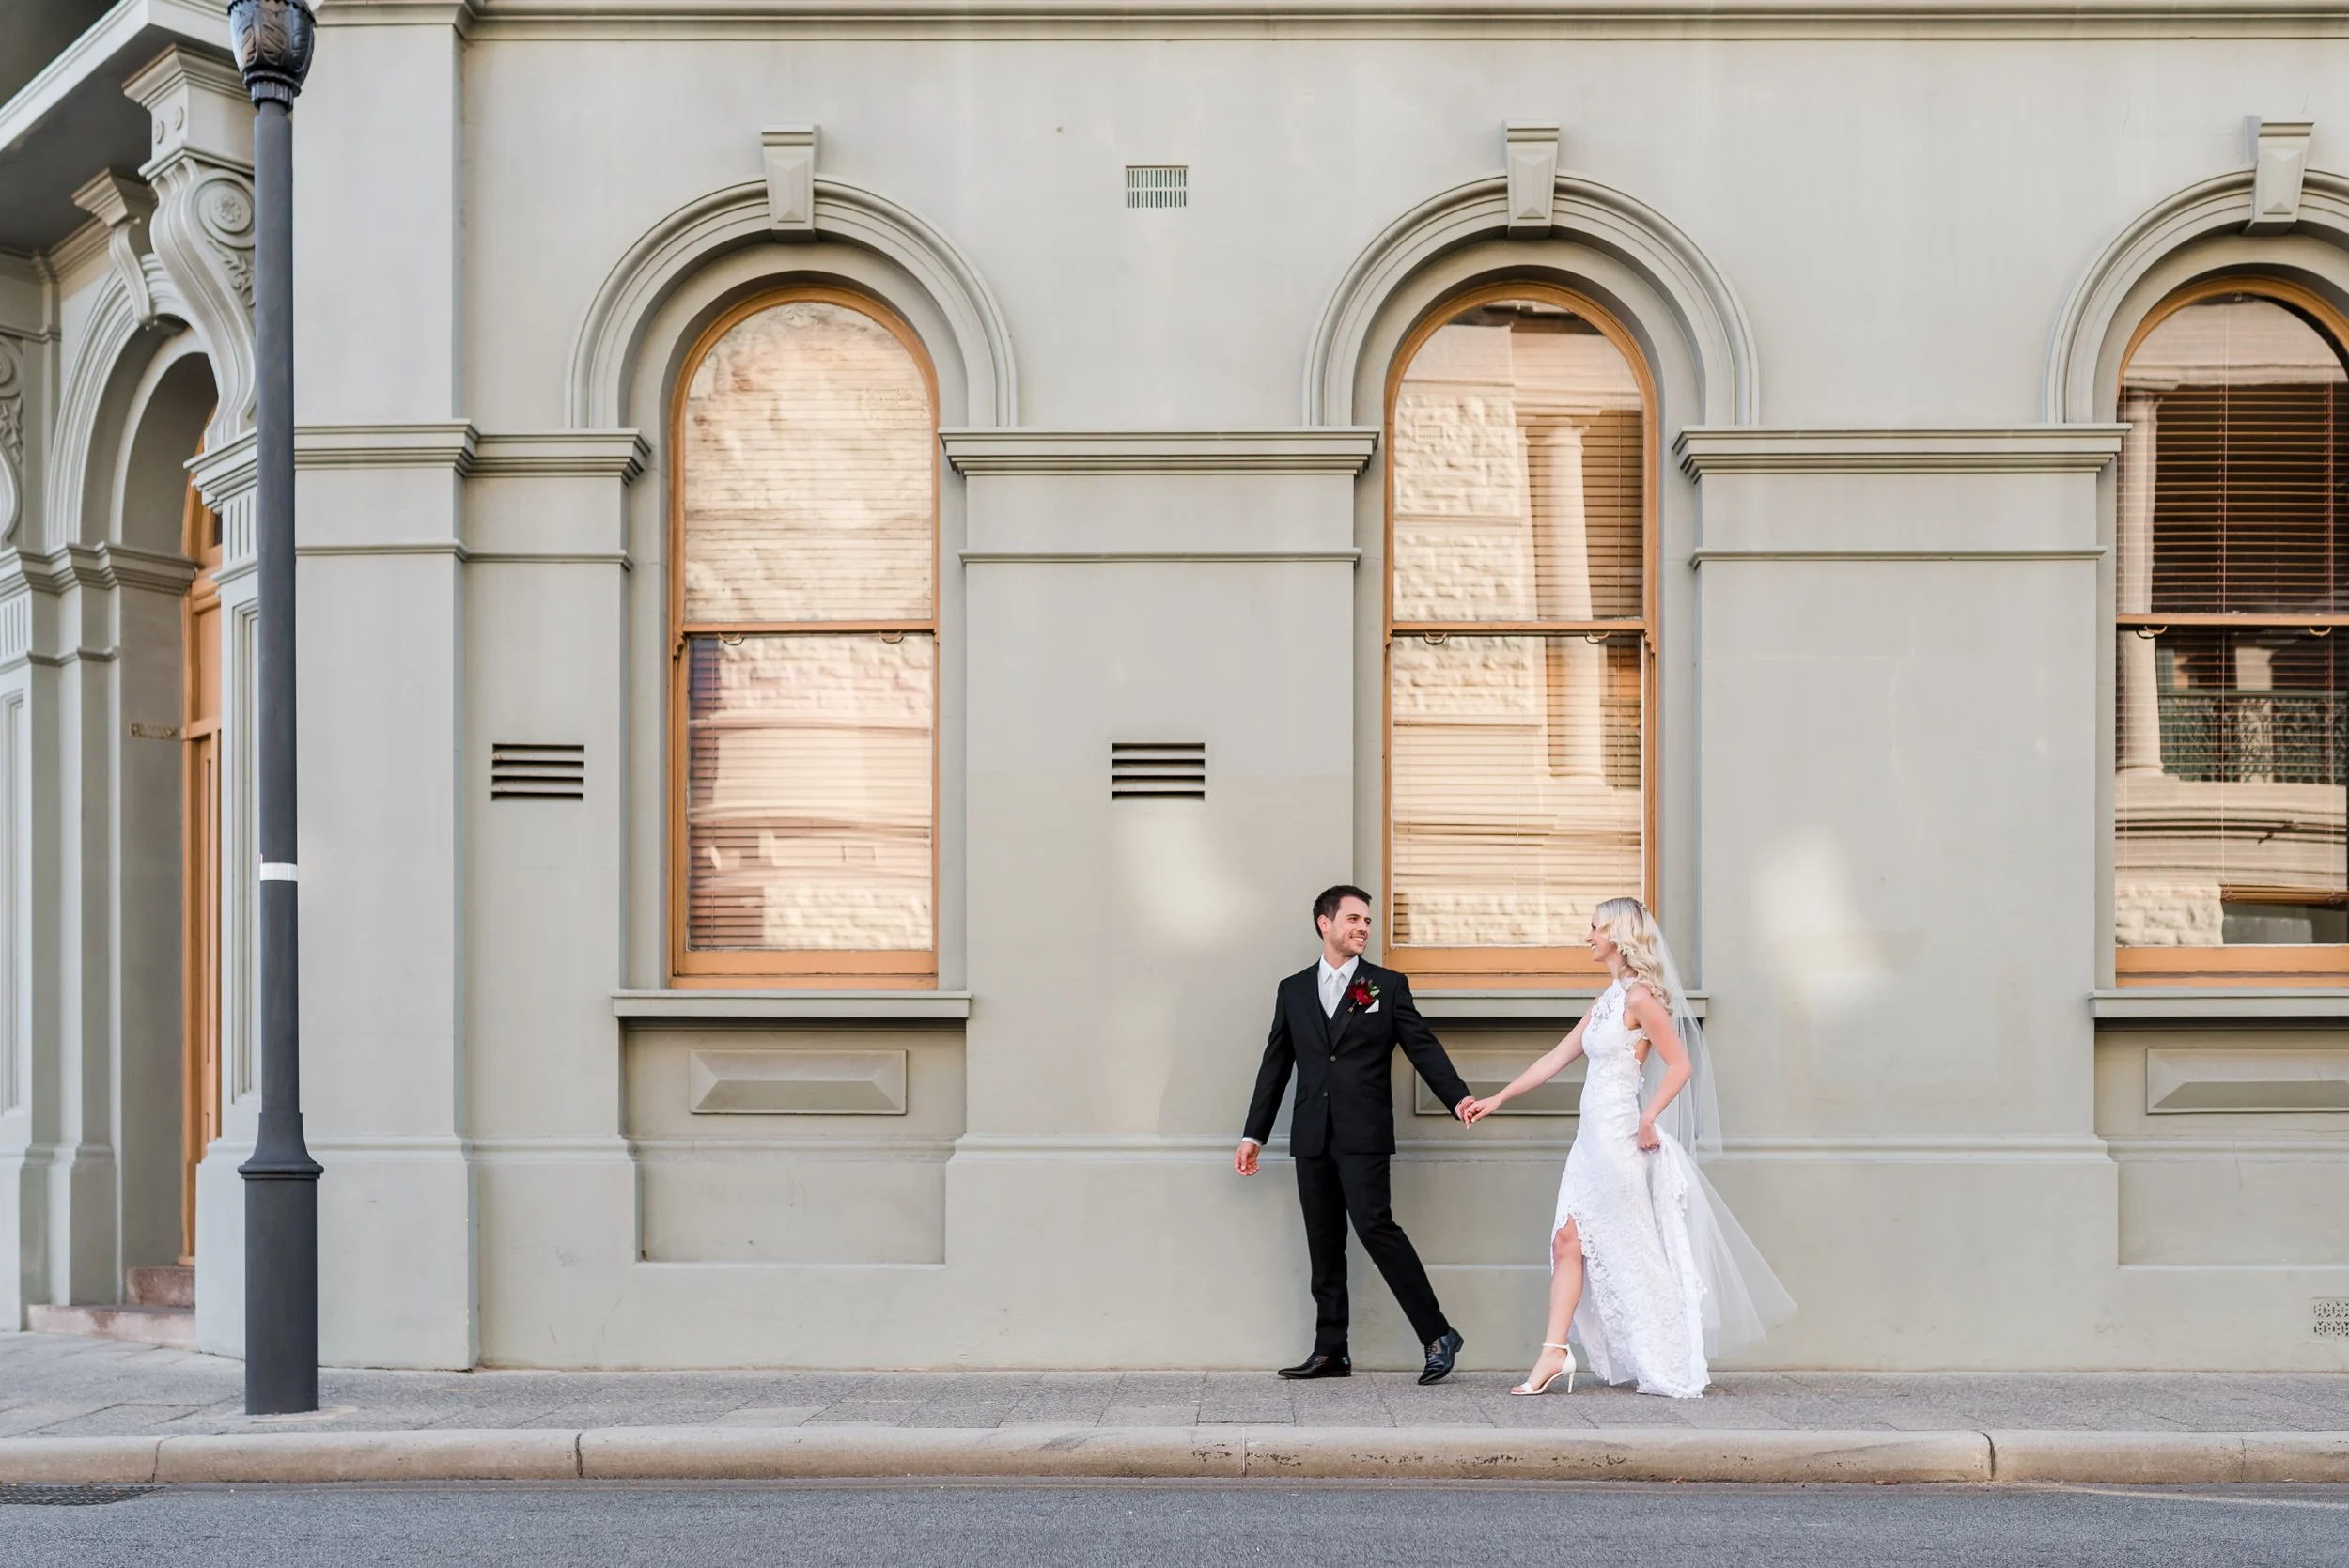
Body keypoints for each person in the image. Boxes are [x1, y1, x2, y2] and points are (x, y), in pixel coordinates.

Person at [1461, 896, 1794, 1399]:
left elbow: (1680, 1064)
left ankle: (1667, 1356)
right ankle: (1554, 1351)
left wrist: (1648, 1115)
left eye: (1594, 928)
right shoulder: (1606, 1001)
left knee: (1632, 1250)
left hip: (1618, 1142)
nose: (1587, 936)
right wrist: (1499, 1097)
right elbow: (1557, 1056)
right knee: (1566, 1242)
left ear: (1617, 936)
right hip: (1588, 1142)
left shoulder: (1641, 998)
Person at [1236, 884, 1474, 1383]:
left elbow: (1422, 1047)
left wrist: (1457, 1097)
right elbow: (1275, 1065)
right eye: (1354, 919)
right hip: (1311, 1134)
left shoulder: (1386, 985)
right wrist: (1253, 1134)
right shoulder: (1293, 989)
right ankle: (1330, 1351)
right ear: (1325, 923)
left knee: (1375, 1229)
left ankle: (1438, 1335)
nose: (1363, 928)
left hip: (1362, 1131)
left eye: (1367, 921)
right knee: (1323, 1244)